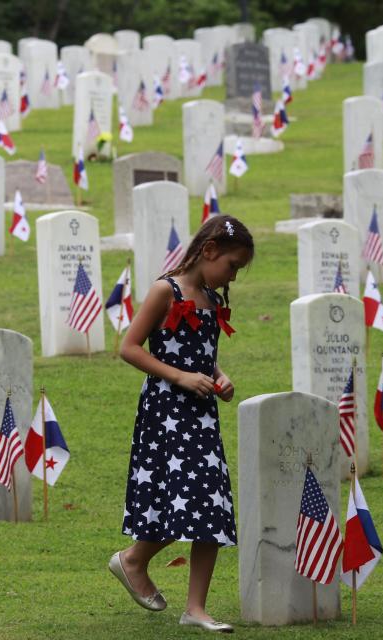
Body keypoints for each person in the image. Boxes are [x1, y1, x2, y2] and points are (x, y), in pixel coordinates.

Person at [109, 215, 254, 633]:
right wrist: (179, 376)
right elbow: (130, 348)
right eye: (232, 266)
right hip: (167, 414)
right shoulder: (165, 291)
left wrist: (218, 377)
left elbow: (201, 355)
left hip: (201, 413)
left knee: (211, 505)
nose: (233, 275)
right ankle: (133, 559)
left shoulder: (209, 297)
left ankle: (196, 608)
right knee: (181, 502)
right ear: (209, 251)